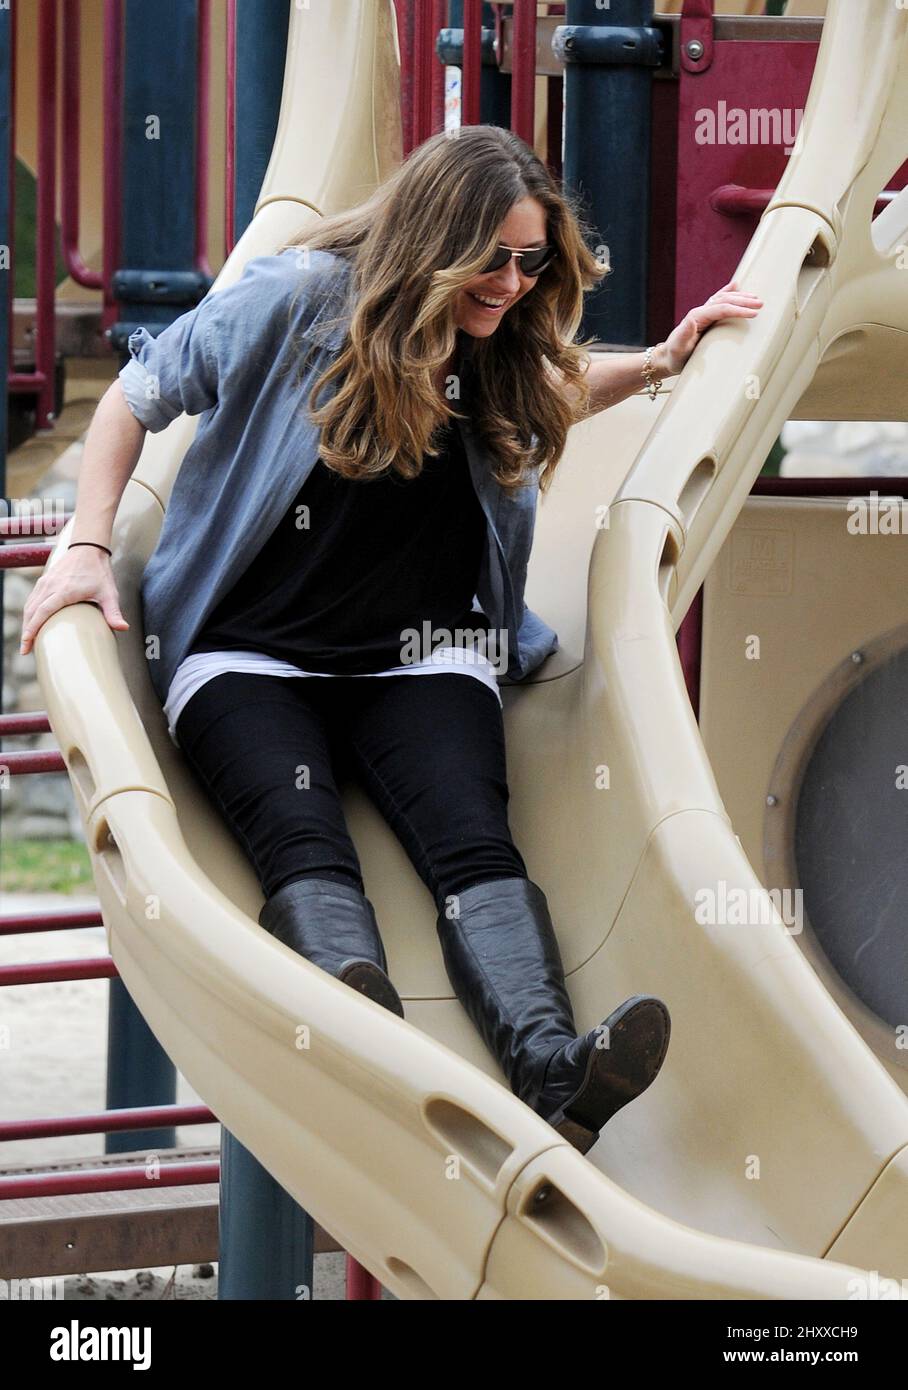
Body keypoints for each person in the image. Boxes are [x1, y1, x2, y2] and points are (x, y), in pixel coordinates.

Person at [20, 125, 761, 1154]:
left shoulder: (492, 339)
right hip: (250, 654)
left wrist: (659, 364)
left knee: (471, 843)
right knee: (303, 841)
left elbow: (539, 400)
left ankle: (553, 1070)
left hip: (422, 654)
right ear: (432, 242)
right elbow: (130, 407)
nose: (511, 282)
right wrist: (88, 543)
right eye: (493, 258)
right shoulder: (286, 302)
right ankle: (359, 1033)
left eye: (532, 259)